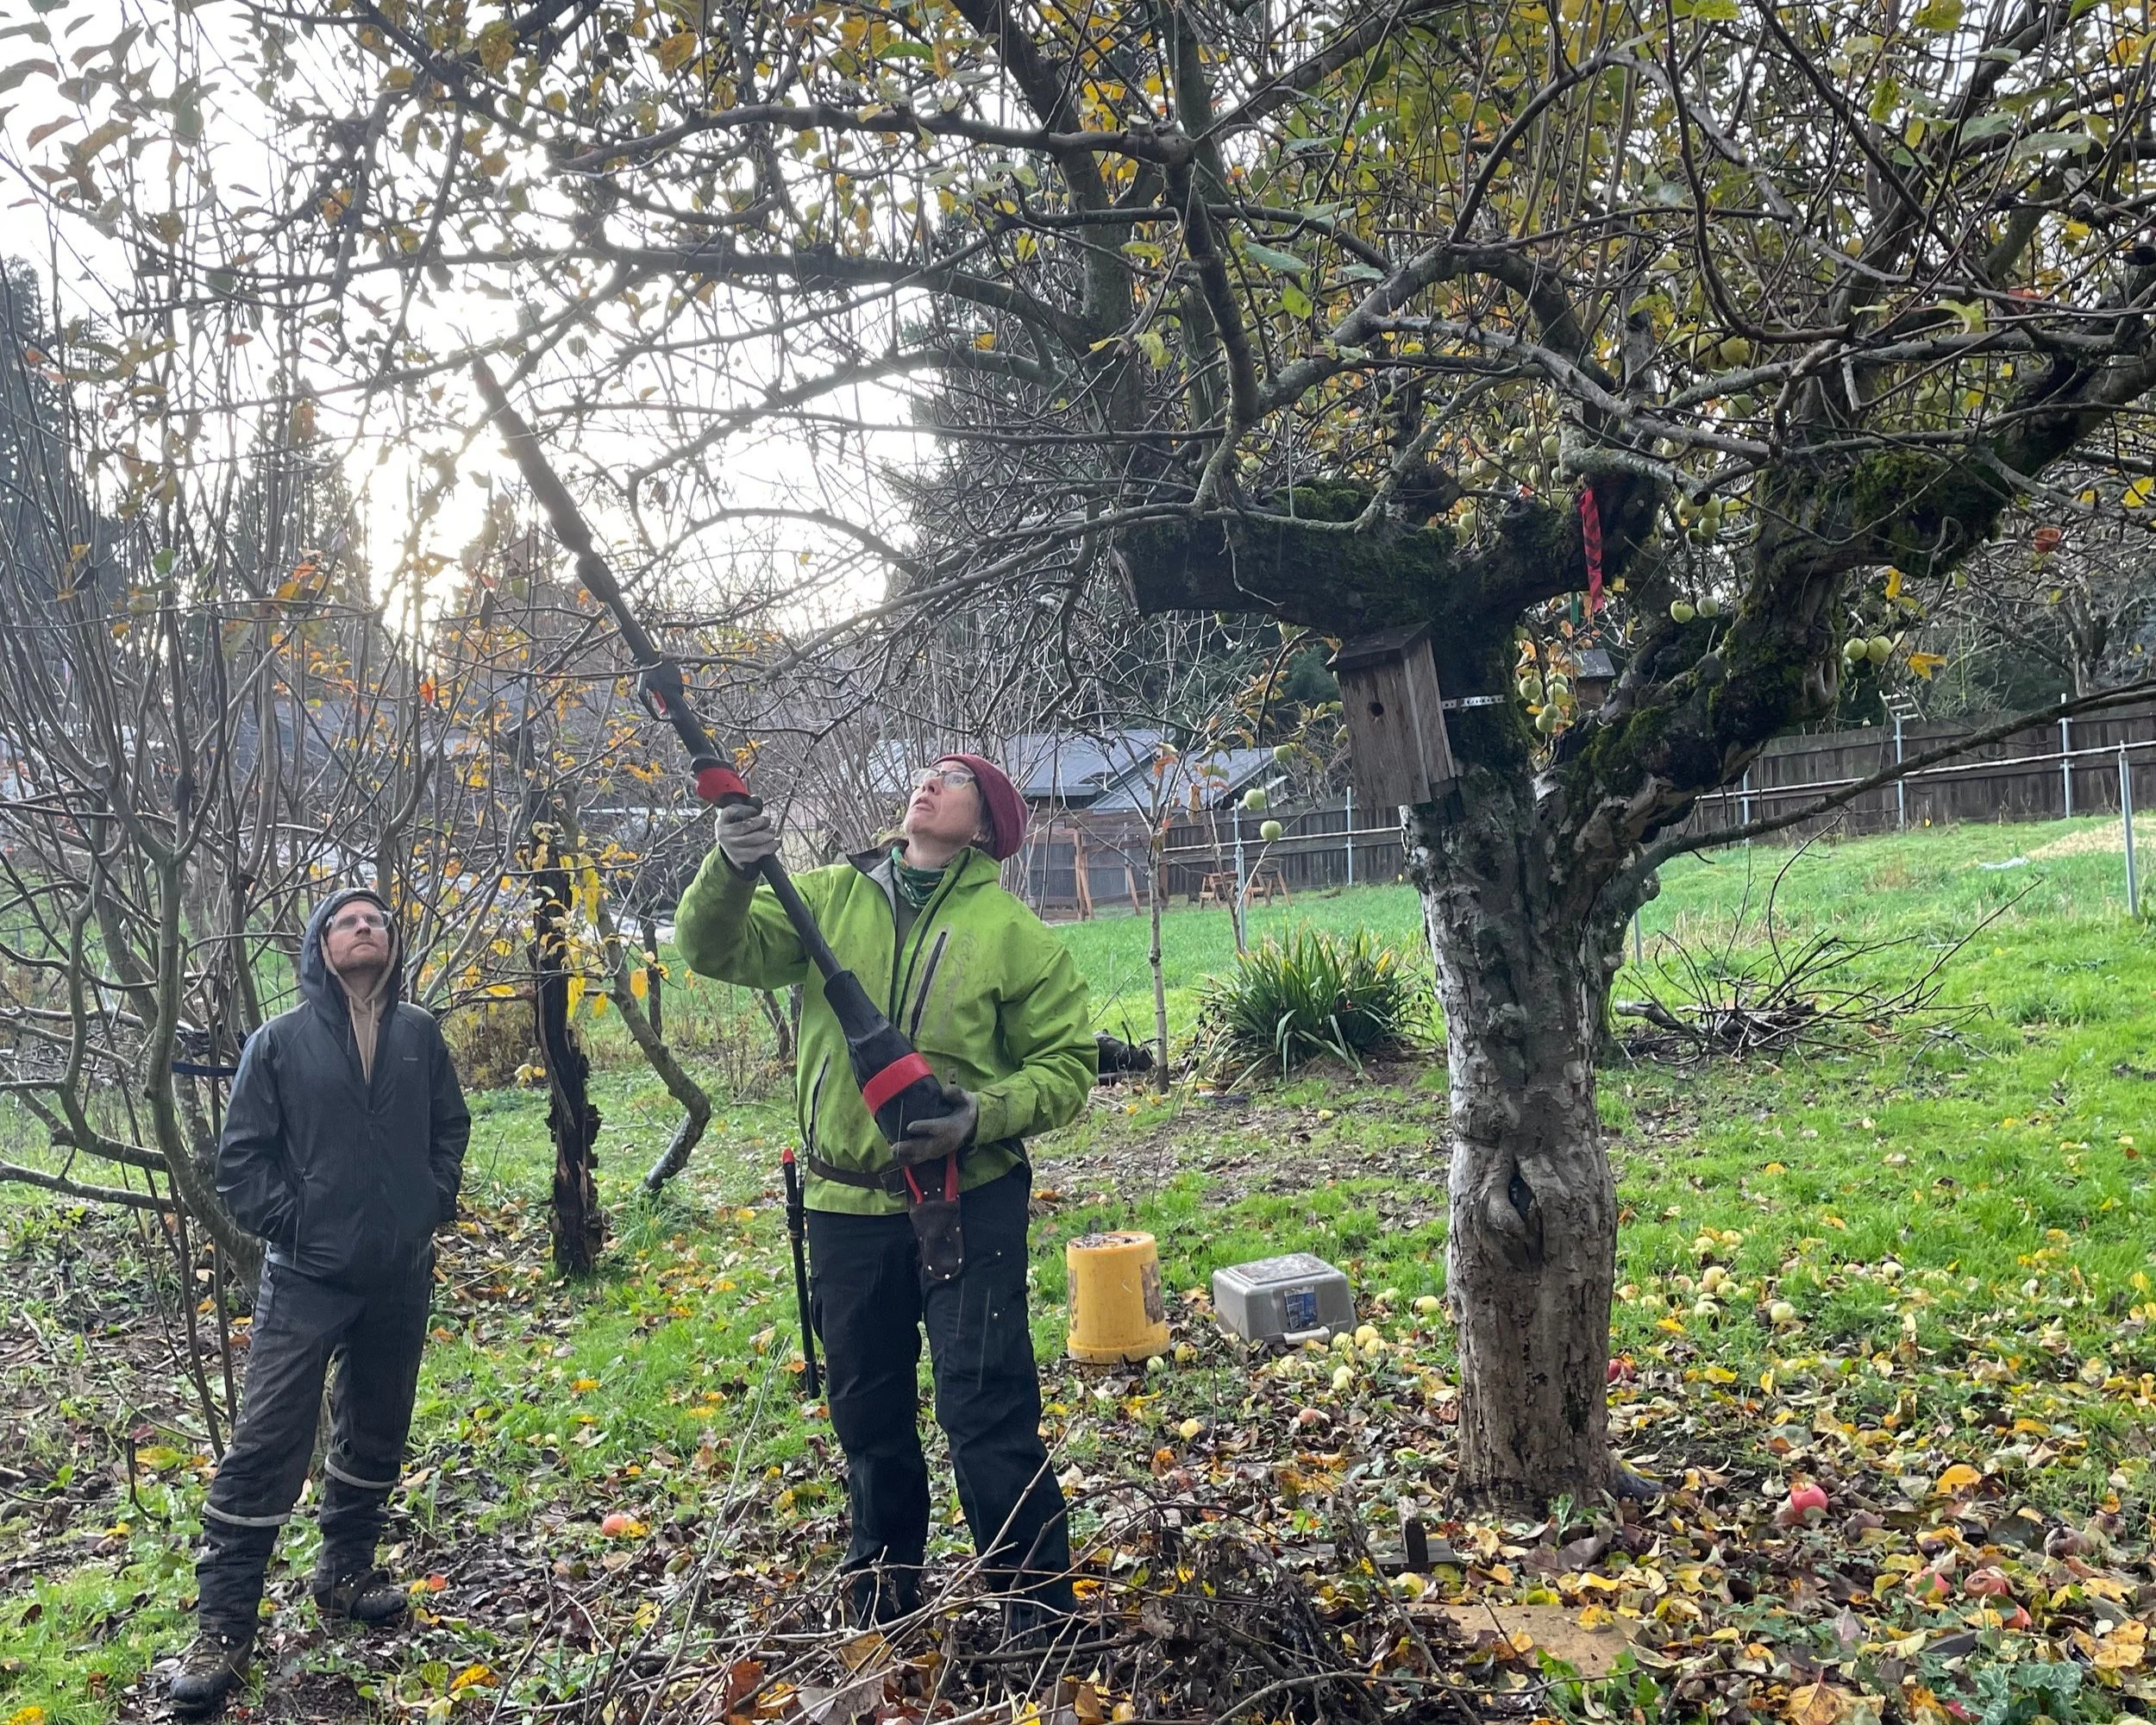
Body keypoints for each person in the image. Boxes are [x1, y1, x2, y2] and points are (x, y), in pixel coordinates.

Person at [676, 754, 1095, 1636]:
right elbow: (710, 947)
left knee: (986, 1408)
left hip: (967, 1197)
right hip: (842, 1205)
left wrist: (980, 1113)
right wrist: (729, 864)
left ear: (983, 825)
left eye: (955, 779)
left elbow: (1066, 1067)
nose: (928, 782)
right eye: (925, 771)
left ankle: (1036, 1617)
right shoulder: (823, 894)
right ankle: (885, 1599)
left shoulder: (1014, 931)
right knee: (866, 1413)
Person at [167, 888, 471, 1718]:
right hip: (305, 1277)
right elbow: (240, 1162)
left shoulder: (418, 1035)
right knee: (267, 1441)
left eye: (376, 918)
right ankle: (223, 1626)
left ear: (392, 941)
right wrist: (297, 1227)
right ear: (320, 944)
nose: (364, 926)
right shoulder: (279, 1043)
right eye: (346, 920)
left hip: (400, 1273)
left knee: (377, 1426)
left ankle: (343, 1573)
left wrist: (429, 1201)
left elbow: (452, 1127)